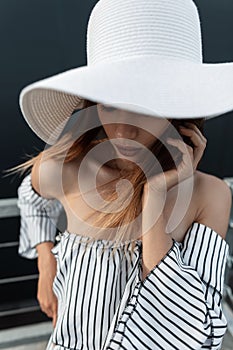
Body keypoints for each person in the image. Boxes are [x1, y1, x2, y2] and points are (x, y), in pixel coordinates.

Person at [7, 0, 233, 349]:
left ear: (178, 106)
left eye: (144, 106)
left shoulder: (209, 196)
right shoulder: (66, 171)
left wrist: (156, 198)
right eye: (110, 103)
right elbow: (31, 194)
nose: (124, 131)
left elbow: (195, 332)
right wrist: (45, 260)